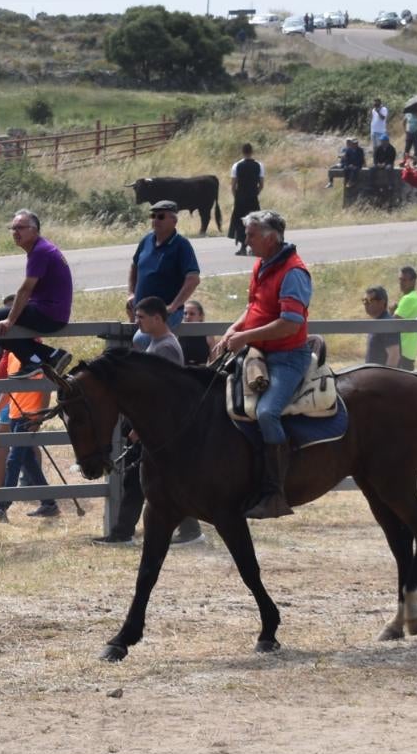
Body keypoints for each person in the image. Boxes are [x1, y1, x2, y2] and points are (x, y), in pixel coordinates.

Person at [212, 209, 313, 519]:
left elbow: (290, 325)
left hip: (286, 358)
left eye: (251, 235)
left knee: (268, 413)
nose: (246, 239)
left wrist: (245, 337)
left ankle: (275, 493)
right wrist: (234, 329)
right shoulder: (262, 265)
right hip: (258, 352)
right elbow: (253, 307)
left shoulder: (294, 272)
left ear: (271, 238)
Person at [97, 298, 202, 547]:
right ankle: (189, 529)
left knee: (140, 479)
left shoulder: (165, 347)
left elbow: (162, 395)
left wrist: (139, 428)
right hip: (156, 426)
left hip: (158, 427)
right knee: (161, 479)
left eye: (141, 317)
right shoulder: (157, 343)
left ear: (157, 318)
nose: (137, 322)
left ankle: (123, 533)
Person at [0, 345, 58, 522]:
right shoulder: (12, 356)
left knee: (13, 461)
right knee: (29, 462)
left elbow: (46, 388)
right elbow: (9, 388)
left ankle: (1, 507)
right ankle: (49, 503)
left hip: (28, 418)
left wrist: (39, 416)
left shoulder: (36, 356)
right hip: (15, 416)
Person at [0, 208, 73, 374]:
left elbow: (26, 289)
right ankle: (49, 355)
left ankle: (34, 360)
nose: (15, 232)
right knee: (2, 332)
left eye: (20, 227)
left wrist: (10, 320)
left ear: (34, 230)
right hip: (51, 311)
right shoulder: (40, 249)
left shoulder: (40, 251)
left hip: (50, 314)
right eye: (13, 228)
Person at [125, 199, 200, 319]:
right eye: (153, 216)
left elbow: (193, 279)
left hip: (164, 314)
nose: (155, 220)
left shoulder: (181, 245)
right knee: (130, 337)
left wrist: (173, 306)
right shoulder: (146, 240)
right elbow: (134, 266)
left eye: (160, 217)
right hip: (141, 312)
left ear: (174, 221)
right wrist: (131, 293)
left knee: (141, 338)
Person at [229, 143, 264, 251]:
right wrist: (255, 193)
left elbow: (233, 185)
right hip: (253, 198)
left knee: (240, 222)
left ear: (242, 152)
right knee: (254, 222)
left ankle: (242, 247)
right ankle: (254, 247)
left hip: (240, 198)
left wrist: (236, 196)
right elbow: (261, 184)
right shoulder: (259, 165)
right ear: (251, 152)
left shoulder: (237, 165)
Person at [394, 266, 417, 369]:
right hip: (408, 350)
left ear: (413, 281)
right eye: (400, 280)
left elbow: (392, 322)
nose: (401, 283)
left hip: (403, 350)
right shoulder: (416, 297)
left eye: (404, 280)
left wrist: (390, 311)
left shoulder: (409, 298)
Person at [360, 286, 397, 367]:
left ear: (382, 302)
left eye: (369, 301)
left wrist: (385, 379)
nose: (365, 304)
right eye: (364, 301)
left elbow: (394, 356)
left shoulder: (387, 324)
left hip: (380, 378)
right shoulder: (379, 322)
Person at [179, 299, 212, 366]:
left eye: (192, 314)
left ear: (200, 316)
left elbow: (214, 362)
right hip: (181, 373)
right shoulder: (177, 333)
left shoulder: (208, 335)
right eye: (185, 313)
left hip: (200, 373)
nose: (187, 317)